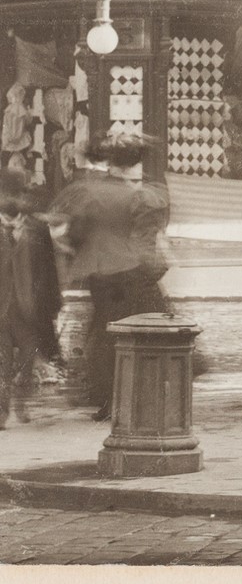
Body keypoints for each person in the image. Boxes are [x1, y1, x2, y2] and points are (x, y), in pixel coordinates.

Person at [53, 135, 171, 419]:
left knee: (105, 333)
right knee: (131, 330)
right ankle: (135, 395)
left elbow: (74, 231)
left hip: (100, 272)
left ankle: (107, 397)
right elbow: (146, 233)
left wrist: (73, 249)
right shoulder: (137, 195)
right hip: (130, 269)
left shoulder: (90, 192)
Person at [0, 169, 64, 425]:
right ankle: (2, 411)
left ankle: (22, 398)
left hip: (28, 305)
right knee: (3, 359)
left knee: (29, 354)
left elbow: (48, 269)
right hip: (2, 305)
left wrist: (53, 303)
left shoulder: (36, 228)